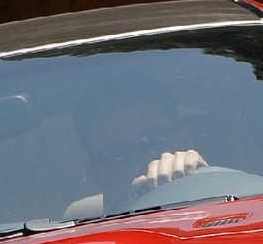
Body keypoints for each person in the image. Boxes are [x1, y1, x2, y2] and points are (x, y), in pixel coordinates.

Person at [64, 74, 209, 219]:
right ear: (96, 175)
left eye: (153, 143)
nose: (141, 164)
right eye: (116, 157)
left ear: (185, 140)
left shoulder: (229, 199)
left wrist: (205, 181)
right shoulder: (86, 235)